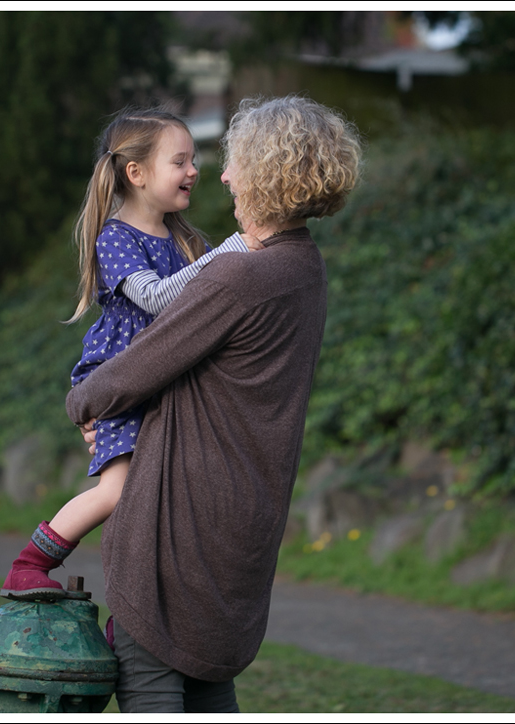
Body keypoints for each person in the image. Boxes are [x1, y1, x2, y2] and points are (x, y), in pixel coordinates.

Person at [66, 95, 363, 713]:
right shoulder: (304, 268)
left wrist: (85, 402)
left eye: (234, 163)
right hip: (241, 526)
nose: (222, 176)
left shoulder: (236, 279)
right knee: (209, 692)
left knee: (153, 686)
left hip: (180, 530)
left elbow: (127, 375)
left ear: (267, 172)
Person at [0, 107, 261, 601]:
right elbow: (159, 300)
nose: (193, 171)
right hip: (121, 382)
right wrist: (233, 249)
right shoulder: (115, 238)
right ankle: (29, 564)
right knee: (118, 493)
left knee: (158, 502)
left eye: (193, 160)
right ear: (136, 174)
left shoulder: (186, 241)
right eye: (179, 161)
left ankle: (147, 610)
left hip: (162, 385)